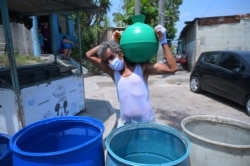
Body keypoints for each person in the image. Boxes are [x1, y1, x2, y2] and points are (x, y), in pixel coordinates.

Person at [86, 25, 178, 126]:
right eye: (107, 61)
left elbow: (172, 68)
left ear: (120, 53)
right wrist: (110, 42)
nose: (110, 62)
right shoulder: (113, 72)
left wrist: (163, 41)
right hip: (125, 124)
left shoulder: (142, 68)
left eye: (111, 57)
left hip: (146, 124)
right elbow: (89, 54)